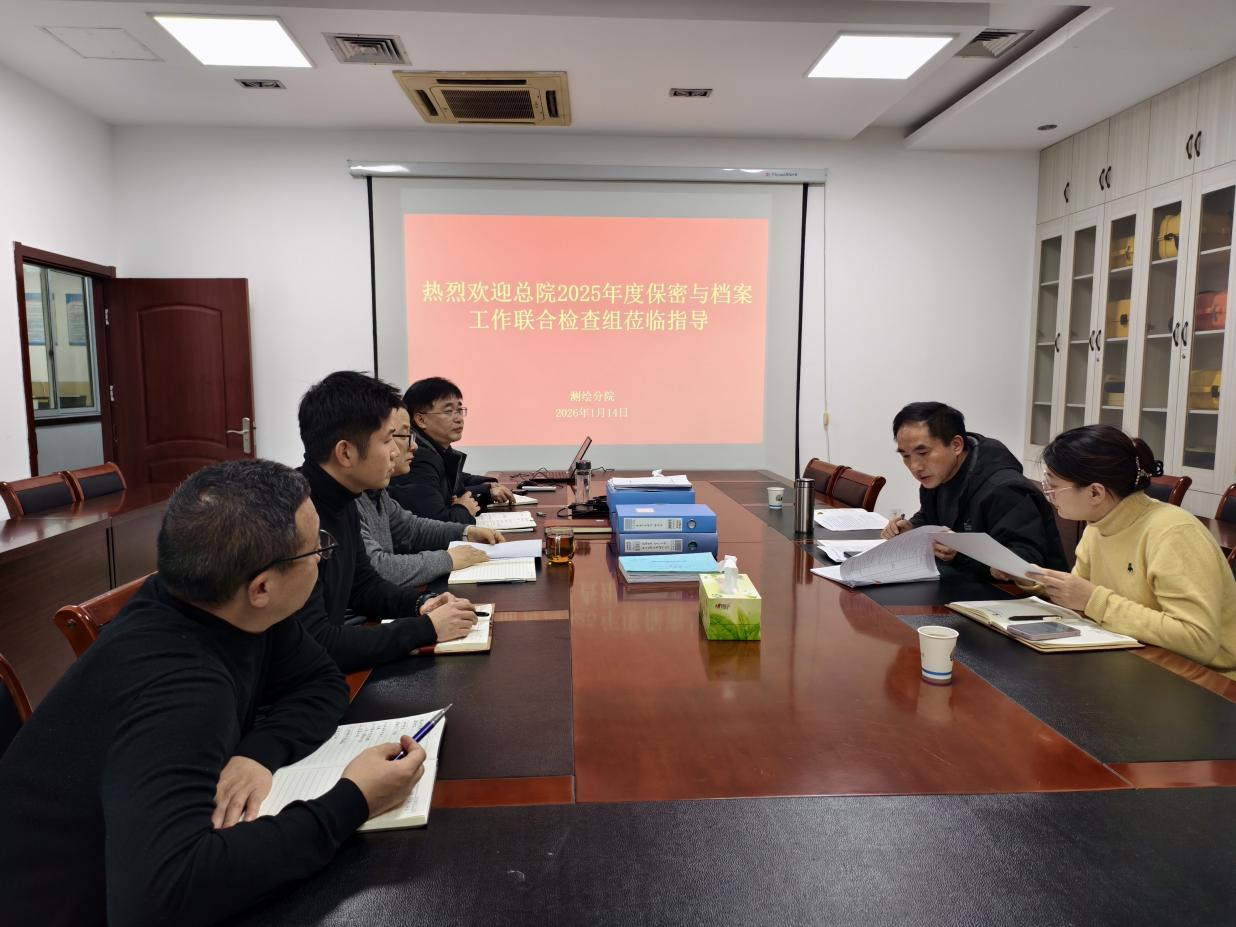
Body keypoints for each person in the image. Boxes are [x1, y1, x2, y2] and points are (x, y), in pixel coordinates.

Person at [0, 460, 428, 926]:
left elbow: (320, 683)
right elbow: (161, 897)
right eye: (317, 550)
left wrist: (258, 754)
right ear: (262, 587)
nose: (322, 559)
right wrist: (355, 800)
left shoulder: (231, 606)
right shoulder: (181, 685)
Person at [296, 371, 479, 671]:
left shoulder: (344, 498)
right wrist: (427, 628)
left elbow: (363, 585)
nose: (397, 451)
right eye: (386, 440)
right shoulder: (298, 514)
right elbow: (318, 644)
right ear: (345, 452)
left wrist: (420, 604)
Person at [1029, 425, 1236, 677]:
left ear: (1095, 492)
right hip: (1136, 657)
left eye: (1052, 486)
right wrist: (1034, 580)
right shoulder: (1098, 524)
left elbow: (1198, 640)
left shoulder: (1174, 533)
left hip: (1206, 678)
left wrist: (1095, 601)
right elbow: (1079, 599)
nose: (1048, 495)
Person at [881, 401, 1067, 577]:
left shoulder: (1004, 488)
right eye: (906, 456)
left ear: (956, 445)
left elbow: (1027, 559)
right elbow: (931, 516)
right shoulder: (937, 475)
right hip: (966, 583)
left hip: (1021, 594)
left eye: (923, 453)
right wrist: (912, 528)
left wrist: (961, 554)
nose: (915, 466)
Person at [358, 404, 506, 588]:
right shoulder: (341, 503)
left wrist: (465, 532)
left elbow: (409, 529)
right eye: (396, 437)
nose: (413, 446)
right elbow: (377, 569)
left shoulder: (373, 491)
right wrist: (449, 559)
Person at [388, 376, 515, 524]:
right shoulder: (418, 458)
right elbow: (436, 523)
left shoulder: (434, 449)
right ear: (421, 420)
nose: (459, 418)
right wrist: (463, 509)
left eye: (459, 410)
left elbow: (456, 481)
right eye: (448, 411)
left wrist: (488, 487)